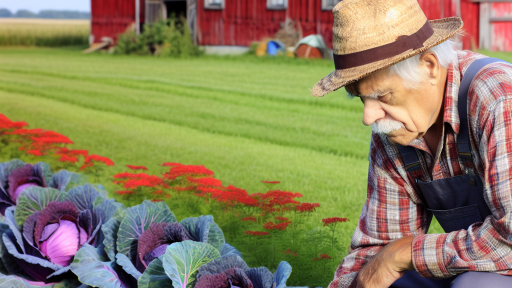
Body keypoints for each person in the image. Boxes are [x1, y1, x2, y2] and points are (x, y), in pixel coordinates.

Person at [311, 0, 512, 287]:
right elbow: (379, 249)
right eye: (362, 99)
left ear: (429, 66)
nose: (369, 117)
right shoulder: (397, 128)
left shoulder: (500, 99)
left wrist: (404, 253)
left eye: (382, 95)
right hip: (476, 261)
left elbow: (510, 240)